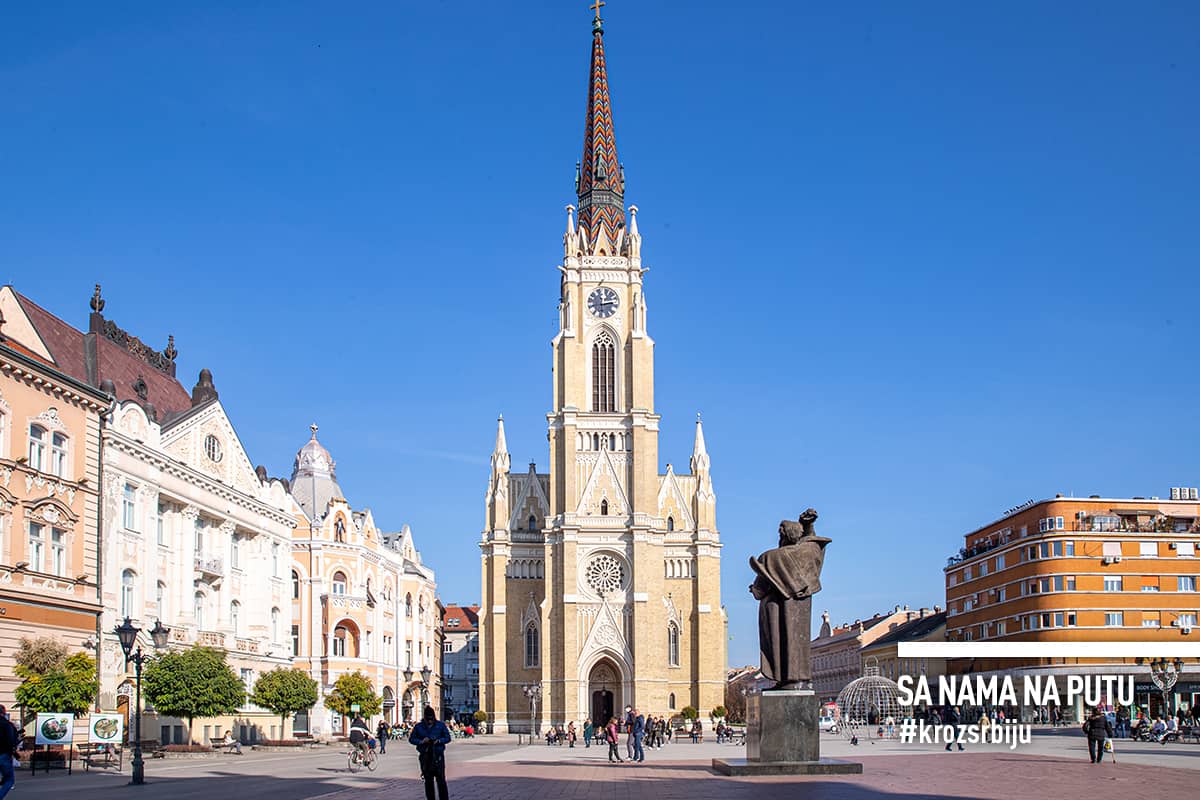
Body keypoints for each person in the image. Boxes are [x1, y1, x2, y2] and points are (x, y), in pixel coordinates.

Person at [409, 706, 451, 800]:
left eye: (431, 719)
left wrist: (439, 741)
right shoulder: (419, 726)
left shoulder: (440, 725)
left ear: (434, 717)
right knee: (428, 781)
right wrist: (421, 741)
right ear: (425, 717)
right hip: (425, 756)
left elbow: (448, 738)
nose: (430, 721)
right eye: (428, 719)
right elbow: (411, 739)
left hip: (438, 756)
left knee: (441, 780)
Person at [0, 705, 20, 800]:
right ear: (3, 712)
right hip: (3, 755)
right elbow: (11, 741)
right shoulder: (7, 725)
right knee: (9, 780)